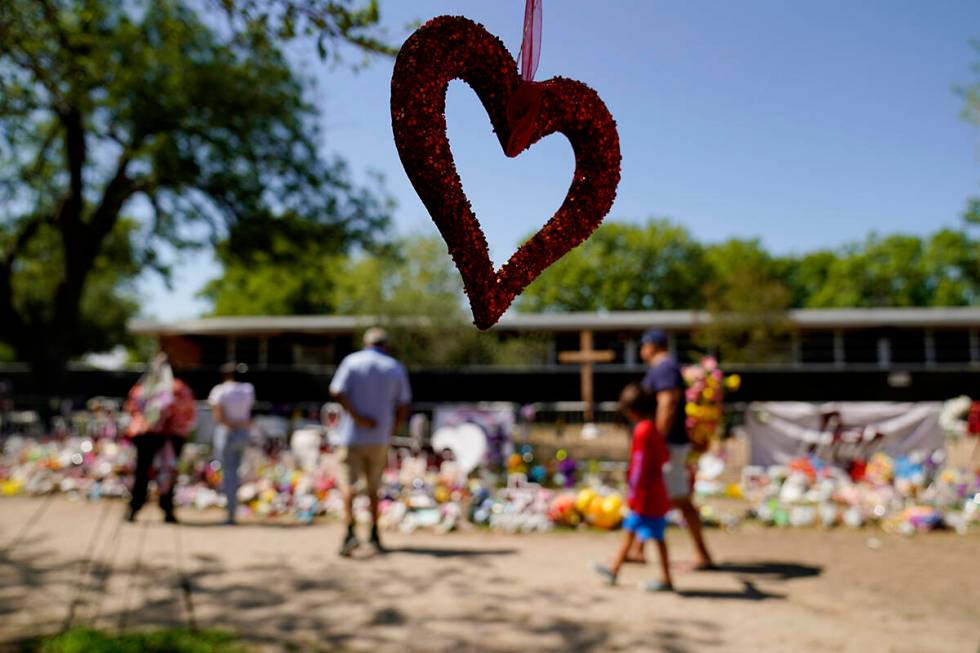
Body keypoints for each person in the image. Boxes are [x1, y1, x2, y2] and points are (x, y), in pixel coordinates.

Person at [636, 329, 715, 569]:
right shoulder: (666, 367)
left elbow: (667, 403)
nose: (641, 351)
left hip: (667, 443)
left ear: (652, 345)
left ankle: (702, 555)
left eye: (642, 345)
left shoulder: (664, 368)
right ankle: (636, 548)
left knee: (678, 498)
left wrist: (656, 440)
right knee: (654, 494)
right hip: (669, 442)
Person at [330, 327, 411, 556]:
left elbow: (336, 391)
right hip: (379, 438)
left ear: (366, 343)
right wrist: (391, 429)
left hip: (351, 435)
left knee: (348, 486)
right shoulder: (394, 367)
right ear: (386, 344)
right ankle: (374, 534)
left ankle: (349, 533)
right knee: (374, 487)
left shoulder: (352, 362)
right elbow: (404, 403)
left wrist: (356, 418)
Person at [593, 383, 673, 591]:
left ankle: (664, 578)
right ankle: (615, 569)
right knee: (637, 532)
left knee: (648, 535)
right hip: (656, 491)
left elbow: (639, 464)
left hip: (645, 495)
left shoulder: (642, 431)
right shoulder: (654, 429)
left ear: (630, 410)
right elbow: (663, 456)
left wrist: (633, 491)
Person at [124, 353, 196, 523]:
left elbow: (132, 408)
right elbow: (188, 413)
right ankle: (167, 509)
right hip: (170, 436)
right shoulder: (179, 389)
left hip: (147, 435)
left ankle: (135, 508)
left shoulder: (142, 389)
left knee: (142, 472)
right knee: (167, 472)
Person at [208, 362, 255, 525]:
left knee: (229, 474)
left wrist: (231, 424)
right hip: (243, 433)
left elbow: (218, 418)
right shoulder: (248, 389)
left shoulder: (220, 390)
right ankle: (233, 511)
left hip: (227, 433)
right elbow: (249, 414)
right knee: (237, 473)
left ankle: (230, 515)